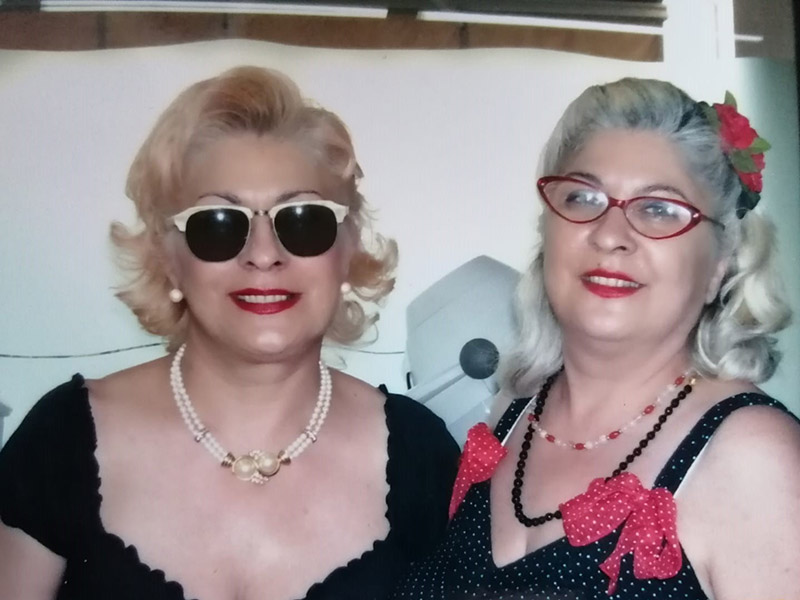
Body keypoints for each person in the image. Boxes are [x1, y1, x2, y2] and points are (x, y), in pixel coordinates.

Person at [0, 66, 459, 600]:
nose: (263, 254)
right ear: (168, 258)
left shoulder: (423, 458)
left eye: (303, 219)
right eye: (217, 224)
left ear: (348, 247)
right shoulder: (61, 441)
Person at [393, 78, 800, 599]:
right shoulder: (510, 417)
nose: (609, 234)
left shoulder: (752, 457)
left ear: (719, 264)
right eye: (583, 198)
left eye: (659, 208)